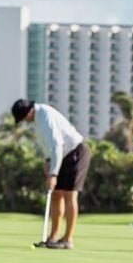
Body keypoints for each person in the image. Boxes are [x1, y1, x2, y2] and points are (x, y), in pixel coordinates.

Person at [12, 99, 90, 250]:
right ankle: (53, 237)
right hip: (62, 156)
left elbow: (57, 145)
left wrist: (53, 174)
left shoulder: (45, 115)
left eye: (23, 118)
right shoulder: (37, 119)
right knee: (56, 194)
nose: (25, 121)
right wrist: (48, 163)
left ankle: (68, 239)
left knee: (69, 195)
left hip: (76, 153)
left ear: (29, 112)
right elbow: (49, 148)